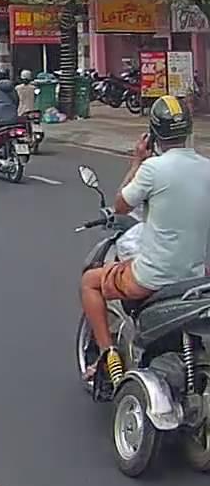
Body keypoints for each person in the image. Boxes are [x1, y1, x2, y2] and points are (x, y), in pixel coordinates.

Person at [79, 95, 210, 387]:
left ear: (153, 133)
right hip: (195, 277)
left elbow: (121, 205)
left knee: (89, 281)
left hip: (152, 277)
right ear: (189, 129)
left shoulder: (153, 169)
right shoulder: (206, 167)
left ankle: (108, 353)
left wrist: (137, 160)